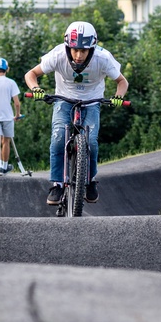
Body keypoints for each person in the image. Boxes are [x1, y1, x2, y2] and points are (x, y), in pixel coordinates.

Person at [24, 21, 129, 205]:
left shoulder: (103, 58)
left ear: (92, 49)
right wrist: (36, 89)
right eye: (75, 50)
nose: (79, 56)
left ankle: (90, 180)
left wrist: (118, 97)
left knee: (91, 142)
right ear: (68, 47)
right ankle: (57, 184)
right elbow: (31, 74)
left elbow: (122, 82)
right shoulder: (57, 55)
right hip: (63, 99)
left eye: (84, 51)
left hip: (92, 101)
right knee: (58, 138)